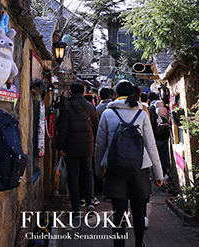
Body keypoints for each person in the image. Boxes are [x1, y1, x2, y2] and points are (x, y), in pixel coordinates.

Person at [95, 81, 162, 247]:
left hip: (115, 169)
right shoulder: (142, 114)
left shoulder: (107, 114)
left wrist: (99, 170)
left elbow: (100, 145)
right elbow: (151, 145)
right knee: (139, 212)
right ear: (133, 94)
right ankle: (139, 243)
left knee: (119, 214)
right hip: (140, 169)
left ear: (116, 95)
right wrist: (158, 174)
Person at [56, 82, 99, 212]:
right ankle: (90, 201)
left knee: (73, 176)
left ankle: (75, 208)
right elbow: (96, 128)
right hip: (88, 147)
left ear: (71, 92)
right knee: (88, 174)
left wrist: (60, 147)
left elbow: (63, 129)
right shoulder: (91, 107)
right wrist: (95, 146)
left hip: (71, 147)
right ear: (84, 93)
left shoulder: (66, 107)